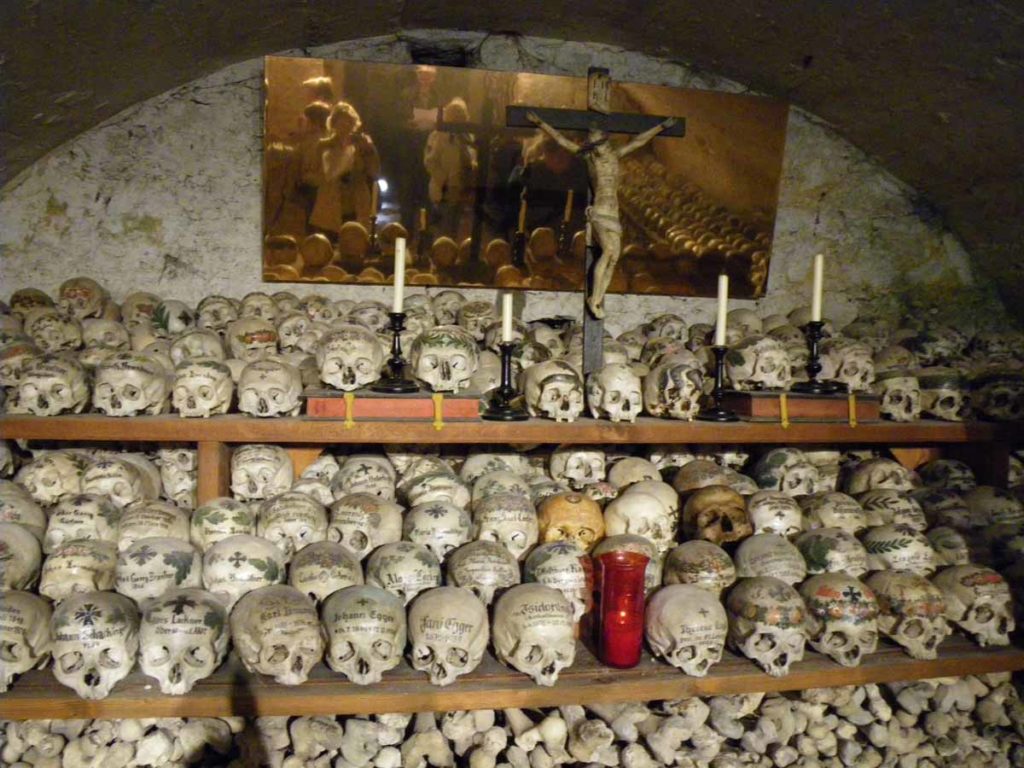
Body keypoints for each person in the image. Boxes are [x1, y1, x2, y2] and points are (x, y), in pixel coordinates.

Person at [527, 112, 676, 318]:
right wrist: (541, 122)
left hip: (613, 211)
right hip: (601, 210)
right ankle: (594, 299)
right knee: (608, 253)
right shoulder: (588, 158)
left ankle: (596, 298)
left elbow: (638, 141)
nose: (600, 144)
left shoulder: (614, 155)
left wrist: (660, 128)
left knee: (613, 257)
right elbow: (562, 141)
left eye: (602, 140)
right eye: (595, 140)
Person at [309, 101, 381, 240]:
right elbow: (313, 172)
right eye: (341, 122)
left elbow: (375, 171)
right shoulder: (324, 145)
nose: (345, 127)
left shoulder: (363, 144)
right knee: (330, 239)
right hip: (331, 200)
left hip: (357, 200)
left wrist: (367, 151)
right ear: (334, 124)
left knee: (356, 239)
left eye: (348, 122)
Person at [423, 97, 477, 239]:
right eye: (455, 114)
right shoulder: (440, 135)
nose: (458, 118)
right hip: (445, 190)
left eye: (461, 115)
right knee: (444, 230)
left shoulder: (468, 136)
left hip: (461, 188)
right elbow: (430, 162)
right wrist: (445, 181)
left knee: (455, 228)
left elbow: (471, 157)